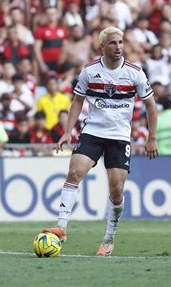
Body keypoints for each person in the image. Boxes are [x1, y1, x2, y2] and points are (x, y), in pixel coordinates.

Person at [42, 27, 158, 256]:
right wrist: (68, 131)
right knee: (74, 172)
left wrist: (151, 137)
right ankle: (61, 227)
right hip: (93, 132)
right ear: (102, 47)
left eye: (121, 42)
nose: (118, 46)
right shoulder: (89, 71)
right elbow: (77, 101)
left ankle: (108, 239)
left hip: (119, 136)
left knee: (116, 191)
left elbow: (151, 105)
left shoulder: (135, 73)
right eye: (113, 43)